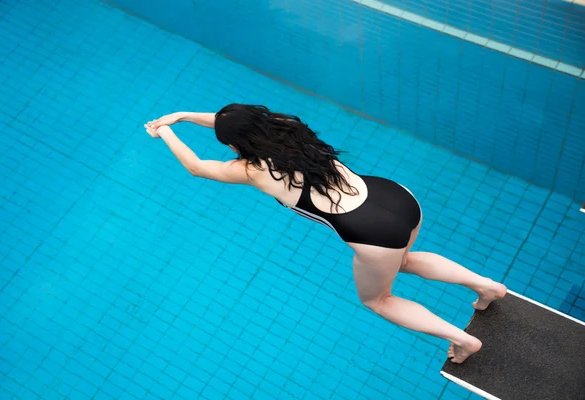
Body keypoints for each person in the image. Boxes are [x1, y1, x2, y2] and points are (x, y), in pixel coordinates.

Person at [144, 104, 507, 363]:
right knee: (406, 258)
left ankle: (462, 340)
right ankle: (486, 286)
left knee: (377, 300)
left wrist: (166, 130)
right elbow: (244, 124)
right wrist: (186, 115)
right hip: (395, 196)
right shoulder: (287, 125)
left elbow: (196, 167)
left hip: (372, 233)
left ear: (236, 145)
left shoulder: (252, 169)